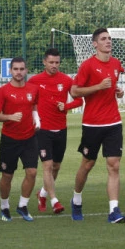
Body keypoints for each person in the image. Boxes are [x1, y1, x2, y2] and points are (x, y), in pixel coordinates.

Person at [70, 28, 125, 223]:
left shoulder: (116, 63)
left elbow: (111, 87)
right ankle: (76, 199)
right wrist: (98, 87)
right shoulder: (87, 65)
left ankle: (114, 210)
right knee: (87, 164)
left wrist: (118, 92)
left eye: (109, 38)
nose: (108, 41)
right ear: (95, 44)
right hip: (92, 124)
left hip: (113, 122)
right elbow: (74, 91)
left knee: (114, 165)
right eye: (103, 39)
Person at [28, 48, 83, 214]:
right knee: (47, 165)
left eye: (57, 62)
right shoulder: (35, 80)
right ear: (44, 62)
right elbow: (29, 102)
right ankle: (54, 201)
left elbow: (79, 101)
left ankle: (42, 194)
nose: (54, 65)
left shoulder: (66, 80)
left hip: (61, 129)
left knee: (56, 167)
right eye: (51, 62)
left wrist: (65, 106)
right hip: (42, 129)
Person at [0, 57, 40, 222]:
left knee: (32, 172)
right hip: (9, 139)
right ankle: (4, 206)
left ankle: (22, 205)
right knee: (7, 176)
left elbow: (34, 105)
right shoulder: (3, 91)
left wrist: (37, 120)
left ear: (26, 70)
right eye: (16, 69)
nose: (19, 72)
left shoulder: (33, 89)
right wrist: (10, 117)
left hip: (29, 138)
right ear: (10, 71)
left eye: (21, 69)